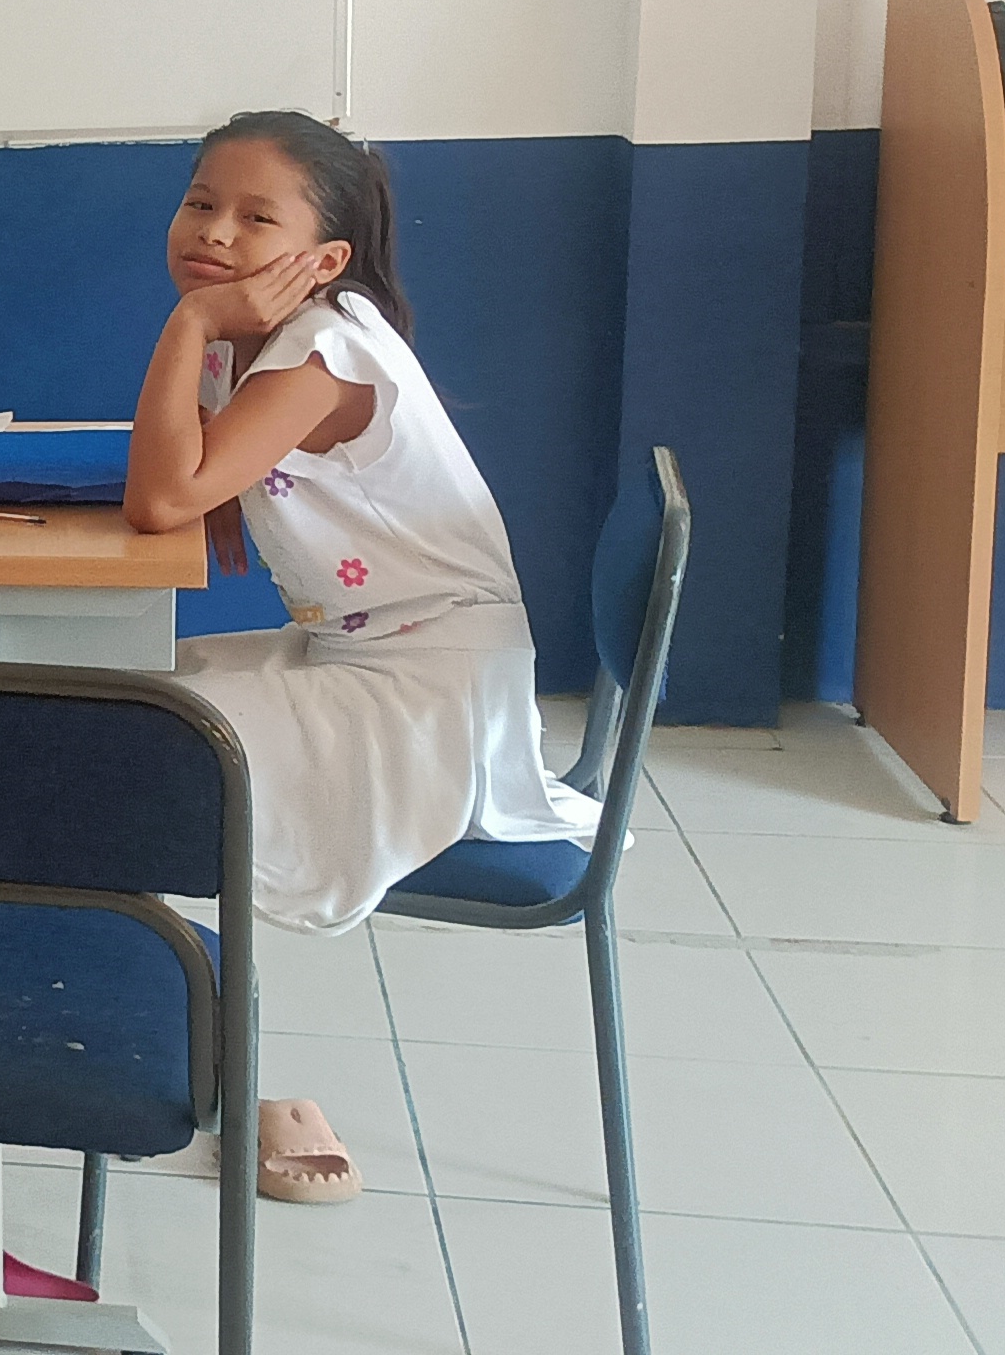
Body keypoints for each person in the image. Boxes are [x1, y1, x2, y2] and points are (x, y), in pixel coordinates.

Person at [120, 109, 602, 1203]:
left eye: (257, 218)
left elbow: (159, 502)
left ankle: (191, 1069)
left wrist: (188, 323)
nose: (216, 233)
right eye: (201, 203)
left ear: (324, 260)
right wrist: (206, 396)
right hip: (367, 653)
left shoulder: (319, 352)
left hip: (422, 695)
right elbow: (193, 494)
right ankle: (174, 1047)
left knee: (130, 748)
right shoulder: (272, 340)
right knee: (122, 700)